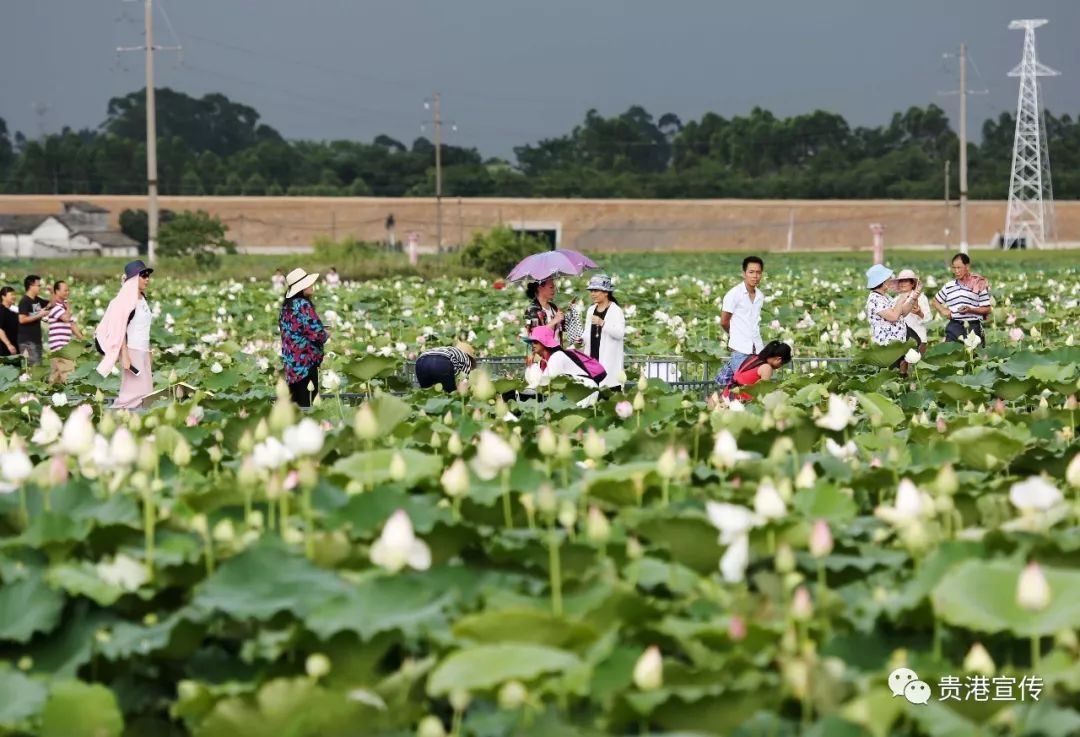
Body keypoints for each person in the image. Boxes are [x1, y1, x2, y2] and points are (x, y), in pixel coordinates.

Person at [95, 261, 155, 409]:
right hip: (132, 351)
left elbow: (143, 328)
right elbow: (119, 329)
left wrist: (149, 351)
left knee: (146, 393)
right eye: (143, 275)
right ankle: (115, 420)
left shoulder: (142, 298)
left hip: (143, 351)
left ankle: (133, 425)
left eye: (148, 275)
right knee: (132, 396)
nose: (147, 279)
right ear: (134, 279)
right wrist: (125, 355)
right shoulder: (125, 301)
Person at [279, 268, 328, 407]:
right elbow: (317, 334)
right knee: (308, 407)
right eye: (309, 283)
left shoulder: (286, 307)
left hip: (291, 367)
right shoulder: (303, 305)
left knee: (295, 407)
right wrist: (326, 333)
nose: (312, 285)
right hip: (306, 365)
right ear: (301, 288)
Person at [717, 256, 766, 387]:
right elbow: (724, 321)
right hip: (740, 351)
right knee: (741, 389)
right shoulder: (734, 294)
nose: (755, 276)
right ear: (743, 273)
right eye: (751, 272)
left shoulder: (760, 296)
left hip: (758, 350)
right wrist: (735, 336)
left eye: (758, 272)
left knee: (756, 389)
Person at [866, 264, 919, 373]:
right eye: (888, 278)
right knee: (891, 375)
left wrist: (912, 299)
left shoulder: (885, 296)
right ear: (882, 281)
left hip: (898, 342)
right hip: (888, 346)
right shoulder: (874, 299)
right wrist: (901, 299)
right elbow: (894, 316)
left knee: (900, 372)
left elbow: (902, 313)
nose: (891, 280)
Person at [932, 253, 991, 345]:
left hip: (973, 325)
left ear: (967, 267)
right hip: (954, 325)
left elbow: (987, 309)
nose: (956, 271)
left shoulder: (978, 284)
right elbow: (935, 301)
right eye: (954, 268)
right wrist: (943, 311)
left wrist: (970, 310)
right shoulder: (949, 286)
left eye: (959, 268)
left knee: (973, 356)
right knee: (950, 354)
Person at [580, 274, 626, 388]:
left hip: (608, 361)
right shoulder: (591, 310)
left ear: (606, 292)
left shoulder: (616, 311)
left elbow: (620, 334)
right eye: (591, 291)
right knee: (591, 393)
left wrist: (602, 323)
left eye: (596, 291)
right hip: (592, 360)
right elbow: (587, 333)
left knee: (608, 392)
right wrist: (581, 339)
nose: (592, 294)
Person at [721, 341, 793, 401]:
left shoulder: (753, 357)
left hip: (727, 395)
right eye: (782, 364)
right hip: (738, 401)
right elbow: (763, 393)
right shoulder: (766, 368)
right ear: (778, 359)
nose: (780, 366)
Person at [46, 280, 85, 384]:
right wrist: (68, 309)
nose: (68, 292)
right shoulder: (55, 307)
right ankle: (73, 396)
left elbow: (72, 325)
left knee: (56, 376)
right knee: (68, 373)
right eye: (65, 290)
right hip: (60, 346)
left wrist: (83, 340)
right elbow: (66, 319)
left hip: (63, 346)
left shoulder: (63, 307)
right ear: (57, 291)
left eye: (68, 290)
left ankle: (49, 396)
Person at [523, 277, 564, 367]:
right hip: (539, 357)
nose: (554, 290)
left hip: (557, 354)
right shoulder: (531, 310)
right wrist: (554, 321)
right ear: (540, 288)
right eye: (551, 287)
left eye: (554, 287)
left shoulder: (554, 307)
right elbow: (535, 335)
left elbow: (561, 329)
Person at [894, 269, 932, 354]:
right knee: (903, 365)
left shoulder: (921, 298)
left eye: (906, 281)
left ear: (912, 283)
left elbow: (928, 318)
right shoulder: (896, 299)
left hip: (919, 337)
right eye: (901, 281)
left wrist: (919, 312)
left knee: (918, 364)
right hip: (901, 339)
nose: (902, 283)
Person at [17, 275, 50, 367]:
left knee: (37, 367)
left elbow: (52, 303)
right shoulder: (24, 301)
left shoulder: (37, 300)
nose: (40, 287)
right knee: (33, 368)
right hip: (27, 341)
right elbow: (22, 319)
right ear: (31, 286)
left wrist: (52, 292)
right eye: (38, 285)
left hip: (36, 340)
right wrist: (39, 314)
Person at [0, 287, 19, 359]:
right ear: (3, 297)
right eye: (12, 294)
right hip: (5, 349)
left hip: (15, 348)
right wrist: (9, 345)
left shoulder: (13, 312)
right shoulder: (1, 310)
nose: (14, 297)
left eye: (15, 295)